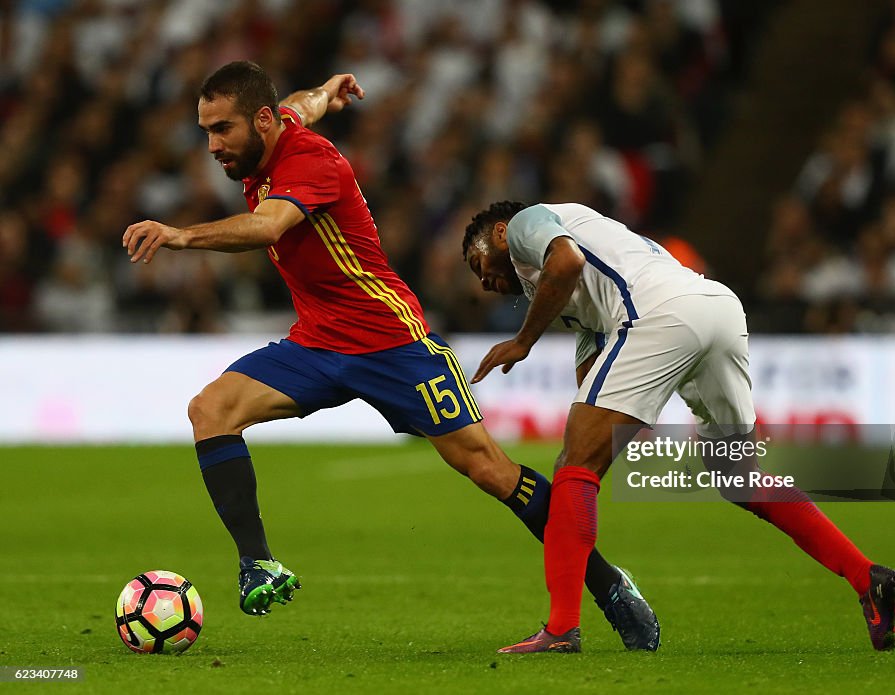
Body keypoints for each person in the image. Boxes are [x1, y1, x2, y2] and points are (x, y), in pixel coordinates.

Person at [121, 61, 659, 651]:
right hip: (318, 342)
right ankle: (258, 564)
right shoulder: (276, 132)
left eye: (222, 129)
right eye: (205, 131)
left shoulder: (314, 162)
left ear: (263, 122)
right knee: (211, 411)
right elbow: (304, 102)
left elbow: (268, 227)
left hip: (392, 342)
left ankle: (608, 585)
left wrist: (180, 235)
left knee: (491, 472)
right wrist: (329, 91)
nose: (213, 145)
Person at [462, 200, 895, 653]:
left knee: (574, 467)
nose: (482, 280)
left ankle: (561, 630)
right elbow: (591, 364)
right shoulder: (577, 281)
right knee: (739, 478)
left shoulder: (525, 225)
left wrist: (523, 342)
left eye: (477, 261)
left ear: (499, 234)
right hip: (717, 309)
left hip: (661, 314)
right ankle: (867, 577)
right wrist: (616, 417)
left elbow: (567, 261)